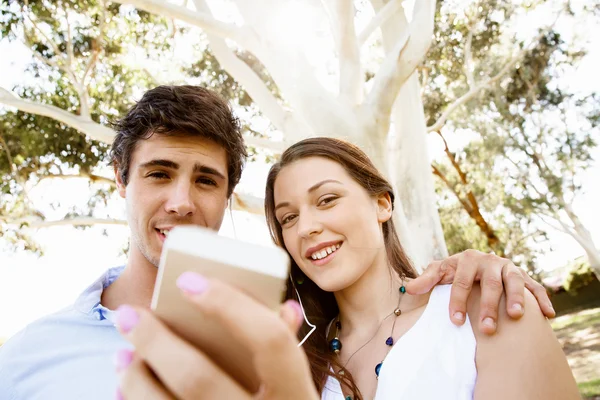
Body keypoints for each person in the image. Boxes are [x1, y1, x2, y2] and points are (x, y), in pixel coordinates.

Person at [0, 87, 553, 400]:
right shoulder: (27, 356)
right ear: (121, 180)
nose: (181, 202)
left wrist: (480, 266)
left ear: (383, 202)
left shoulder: (269, 354)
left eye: (207, 181)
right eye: (158, 173)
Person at [114, 138, 578, 400]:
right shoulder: (299, 367)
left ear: (382, 203)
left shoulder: (484, 308)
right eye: (288, 217)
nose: (307, 228)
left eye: (327, 199)